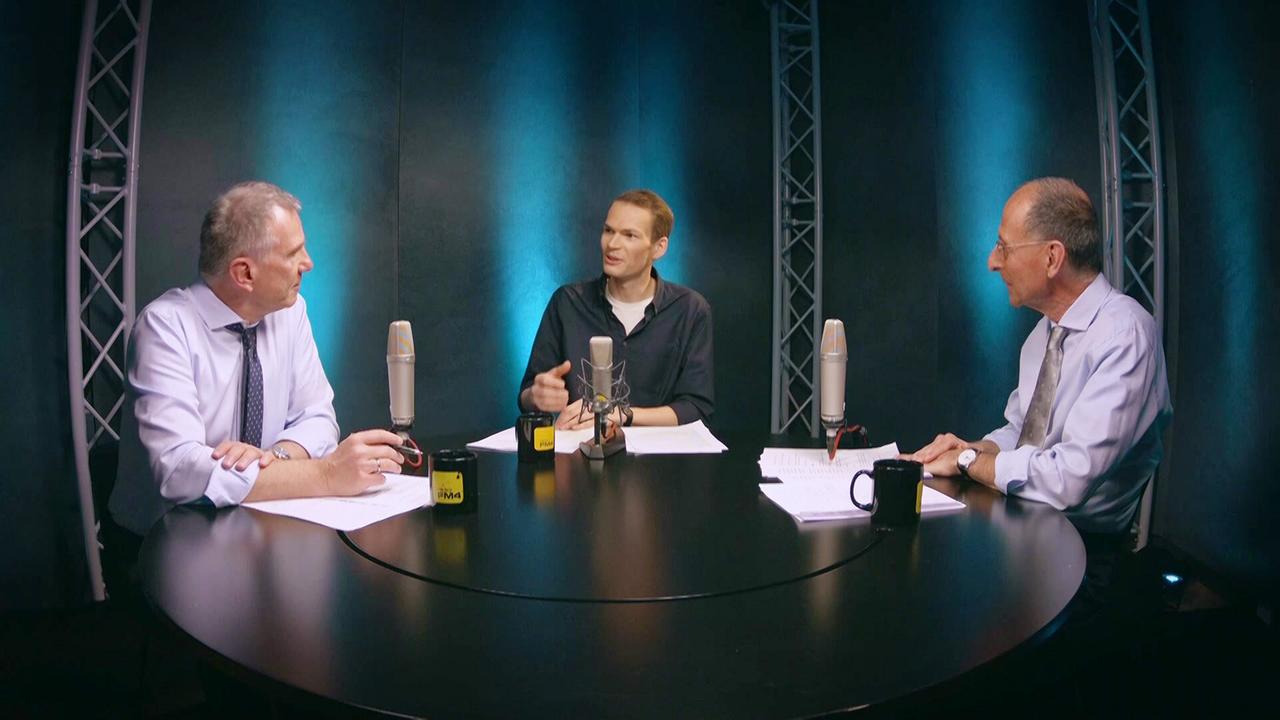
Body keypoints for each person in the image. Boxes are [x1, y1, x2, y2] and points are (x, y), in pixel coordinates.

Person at [909, 177, 1171, 613]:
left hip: (1086, 561)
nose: (994, 262)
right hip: (1025, 533)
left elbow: (1070, 479)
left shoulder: (1125, 336)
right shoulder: (1044, 335)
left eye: (1004, 247)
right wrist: (966, 448)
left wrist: (971, 463)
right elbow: (1021, 431)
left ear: (1052, 257)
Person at [108, 182, 405, 554]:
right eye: (294, 253)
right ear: (244, 274)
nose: (308, 264)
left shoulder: (290, 311)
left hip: (256, 534)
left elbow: (319, 420)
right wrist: (327, 475)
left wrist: (274, 458)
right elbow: (179, 469)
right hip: (161, 547)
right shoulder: (165, 327)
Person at [518, 189, 714, 430]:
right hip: (578, 457)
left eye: (629, 235)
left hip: (659, 464)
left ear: (659, 247)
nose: (612, 244)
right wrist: (537, 396)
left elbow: (696, 409)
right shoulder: (566, 303)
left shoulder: (690, 310)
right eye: (608, 230)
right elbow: (526, 396)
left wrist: (624, 415)